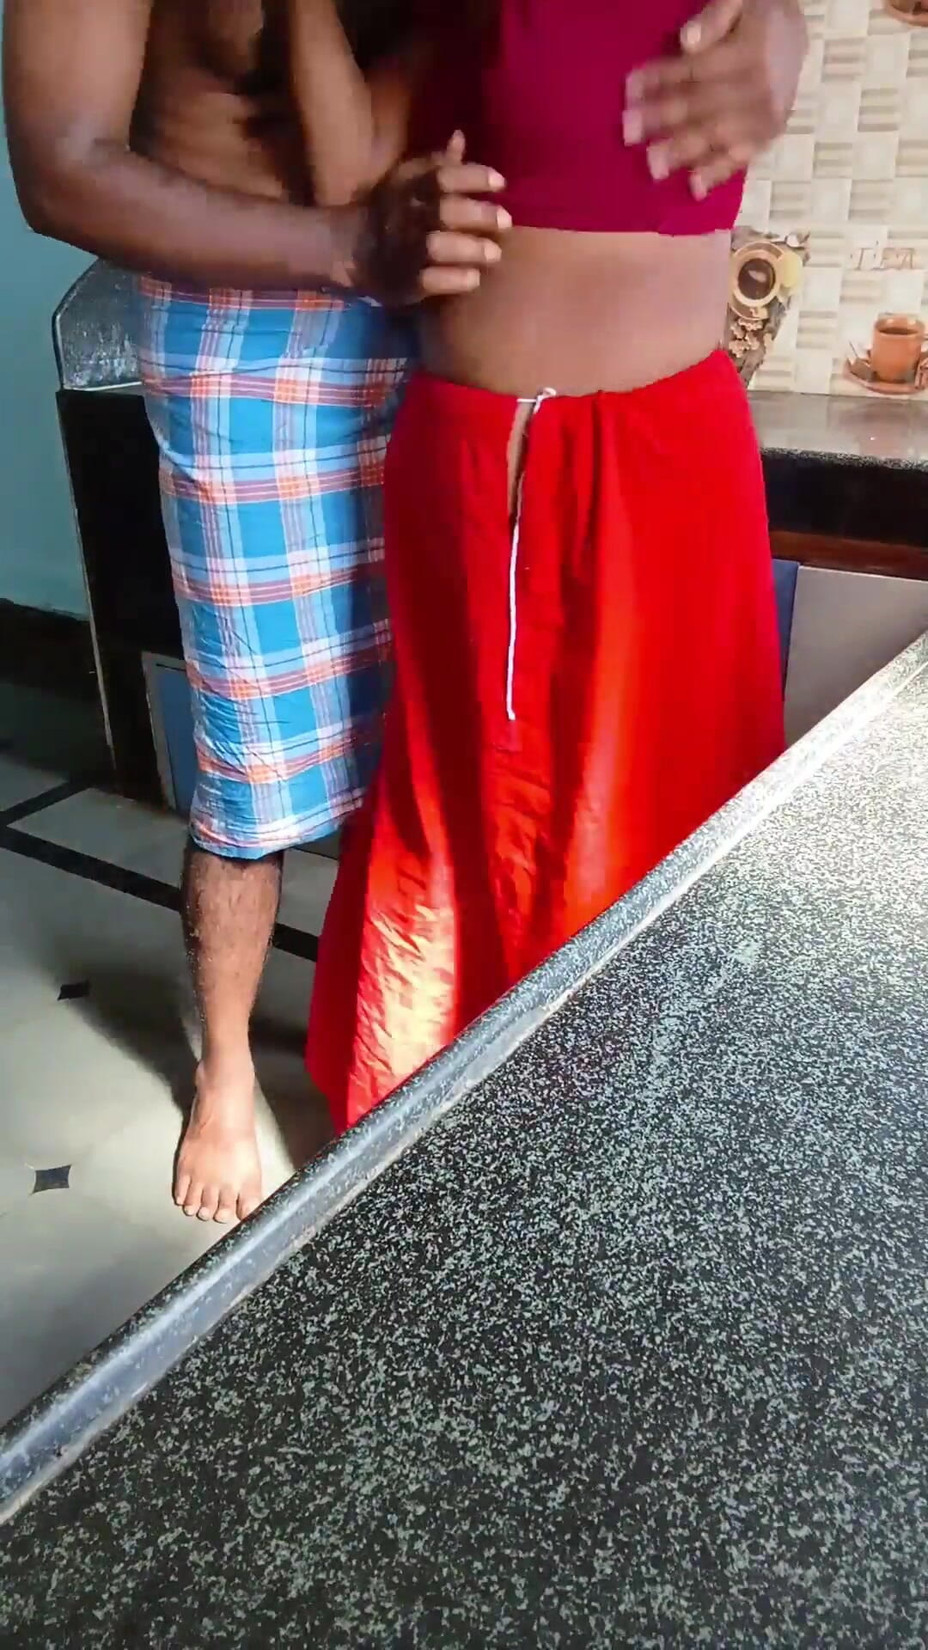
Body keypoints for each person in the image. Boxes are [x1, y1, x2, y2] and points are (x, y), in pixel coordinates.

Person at [3, 0, 510, 1223]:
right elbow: (60, 167)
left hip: (437, 314)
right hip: (241, 324)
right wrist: (344, 244)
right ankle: (224, 1069)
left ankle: (396, 1018)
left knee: (436, 735)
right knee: (254, 748)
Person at [301, 0, 808, 1132]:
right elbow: (348, 176)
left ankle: (634, 1143)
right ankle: (430, 1139)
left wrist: (786, 17)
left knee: (663, 823)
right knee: (455, 819)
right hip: (471, 462)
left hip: (664, 465)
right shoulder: (452, 14)